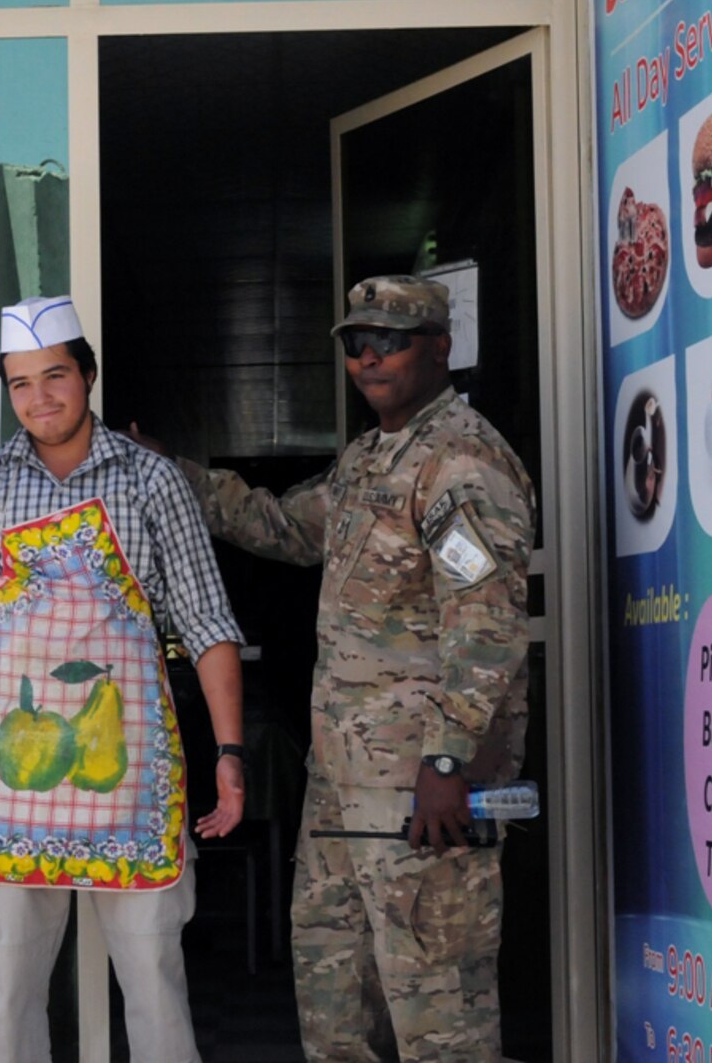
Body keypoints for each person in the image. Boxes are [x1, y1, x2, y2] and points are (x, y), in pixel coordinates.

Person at [133, 275, 534, 1062]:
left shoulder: (461, 466)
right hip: (345, 791)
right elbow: (282, 526)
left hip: (425, 794)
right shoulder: (370, 460)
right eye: (357, 341)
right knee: (336, 1006)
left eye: (392, 338)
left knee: (437, 1015)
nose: (371, 355)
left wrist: (448, 760)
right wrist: (170, 475)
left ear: (441, 349)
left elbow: (486, 628)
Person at [0, 295, 248, 1063]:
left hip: (128, 777)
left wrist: (230, 754)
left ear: (88, 376)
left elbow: (208, 624)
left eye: (55, 376)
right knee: (10, 992)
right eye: (20, 383)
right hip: (12, 780)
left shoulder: (151, 481)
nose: (40, 398)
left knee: (156, 983)